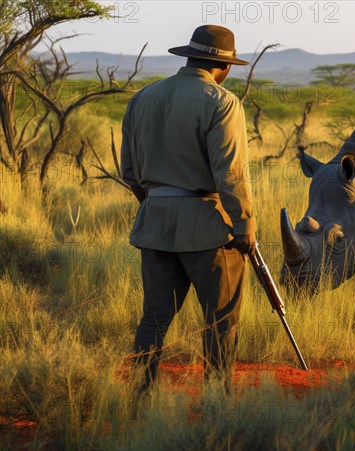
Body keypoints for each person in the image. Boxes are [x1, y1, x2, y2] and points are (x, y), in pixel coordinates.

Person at [120, 25, 256, 394]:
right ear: (223, 67)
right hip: (209, 229)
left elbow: (129, 172)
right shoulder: (222, 101)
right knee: (220, 322)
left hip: (154, 225)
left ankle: (139, 398)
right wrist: (244, 225)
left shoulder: (142, 98)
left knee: (154, 319)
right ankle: (217, 403)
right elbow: (230, 174)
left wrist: (158, 205)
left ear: (188, 57)